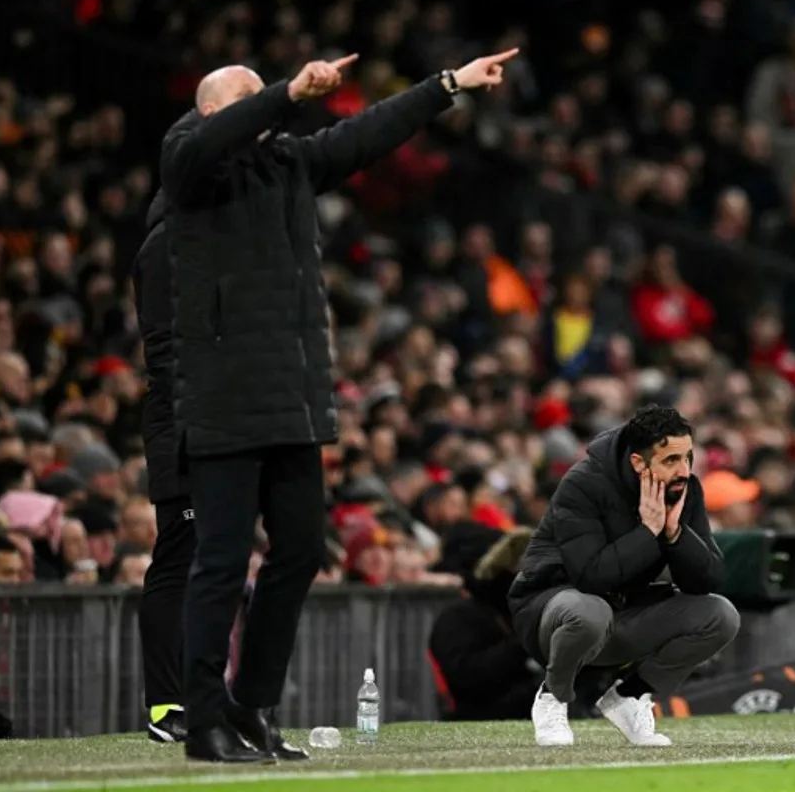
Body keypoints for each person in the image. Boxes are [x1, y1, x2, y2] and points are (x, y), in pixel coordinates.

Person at [161, 48, 519, 763]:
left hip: (293, 404)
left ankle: (252, 707)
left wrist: (445, 86)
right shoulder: (188, 161)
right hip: (226, 399)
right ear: (211, 109)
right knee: (222, 565)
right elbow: (210, 143)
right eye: (250, 98)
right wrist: (289, 92)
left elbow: (369, 132)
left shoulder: (289, 164)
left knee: (298, 556)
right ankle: (201, 720)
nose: (266, 106)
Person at [508, 404, 740, 747]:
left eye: (688, 457)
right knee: (590, 611)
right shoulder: (583, 484)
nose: (684, 470)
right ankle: (553, 697)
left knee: (720, 615)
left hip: (623, 614)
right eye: (671, 460)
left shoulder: (684, 489)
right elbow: (591, 577)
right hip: (553, 612)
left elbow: (709, 581)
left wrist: (675, 534)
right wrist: (648, 532)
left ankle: (630, 697)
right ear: (638, 462)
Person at [131, 189, 194, 745]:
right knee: (178, 557)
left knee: (200, 562)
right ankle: (165, 706)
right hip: (183, 425)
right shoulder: (166, 247)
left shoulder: (179, 241)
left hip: (200, 420)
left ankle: (196, 700)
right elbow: (175, 350)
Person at [428, 527, 543, 721]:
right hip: (481, 715)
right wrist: (523, 645)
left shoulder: (520, 611)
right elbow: (467, 678)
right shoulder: (459, 616)